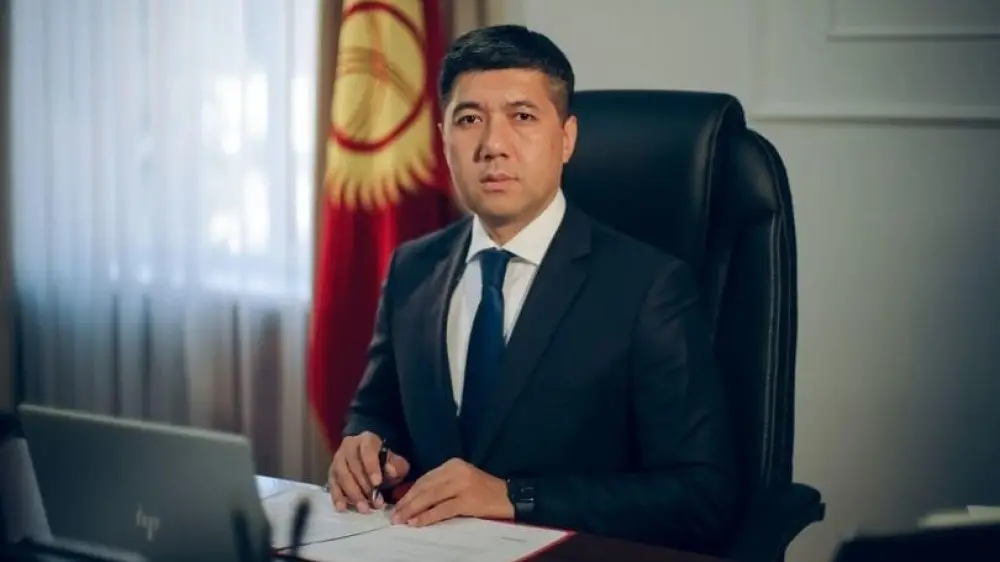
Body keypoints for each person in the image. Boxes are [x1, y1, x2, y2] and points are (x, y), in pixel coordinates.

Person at [327, 24, 736, 552]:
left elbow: (700, 498)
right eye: (469, 119)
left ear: (566, 139)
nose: (493, 146)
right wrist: (365, 448)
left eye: (522, 117)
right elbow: (377, 411)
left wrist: (515, 496)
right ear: (444, 138)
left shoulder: (650, 288)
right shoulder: (413, 267)